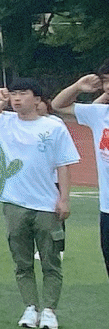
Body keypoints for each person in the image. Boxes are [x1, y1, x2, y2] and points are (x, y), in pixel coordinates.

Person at [0, 80, 80, 329]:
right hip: (14, 203)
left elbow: (64, 165)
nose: (16, 99)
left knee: (50, 261)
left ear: (37, 99)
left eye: (23, 94)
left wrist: (64, 199)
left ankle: (49, 310)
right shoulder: (2, 122)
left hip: (46, 204)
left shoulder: (53, 127)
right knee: (22, 261)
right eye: (13, 94)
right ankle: (30, 307)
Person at [51, 69, 109, 278]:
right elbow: (58, 105)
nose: (108, 87)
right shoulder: (99, 114)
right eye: (106, 81)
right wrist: (77, 87)